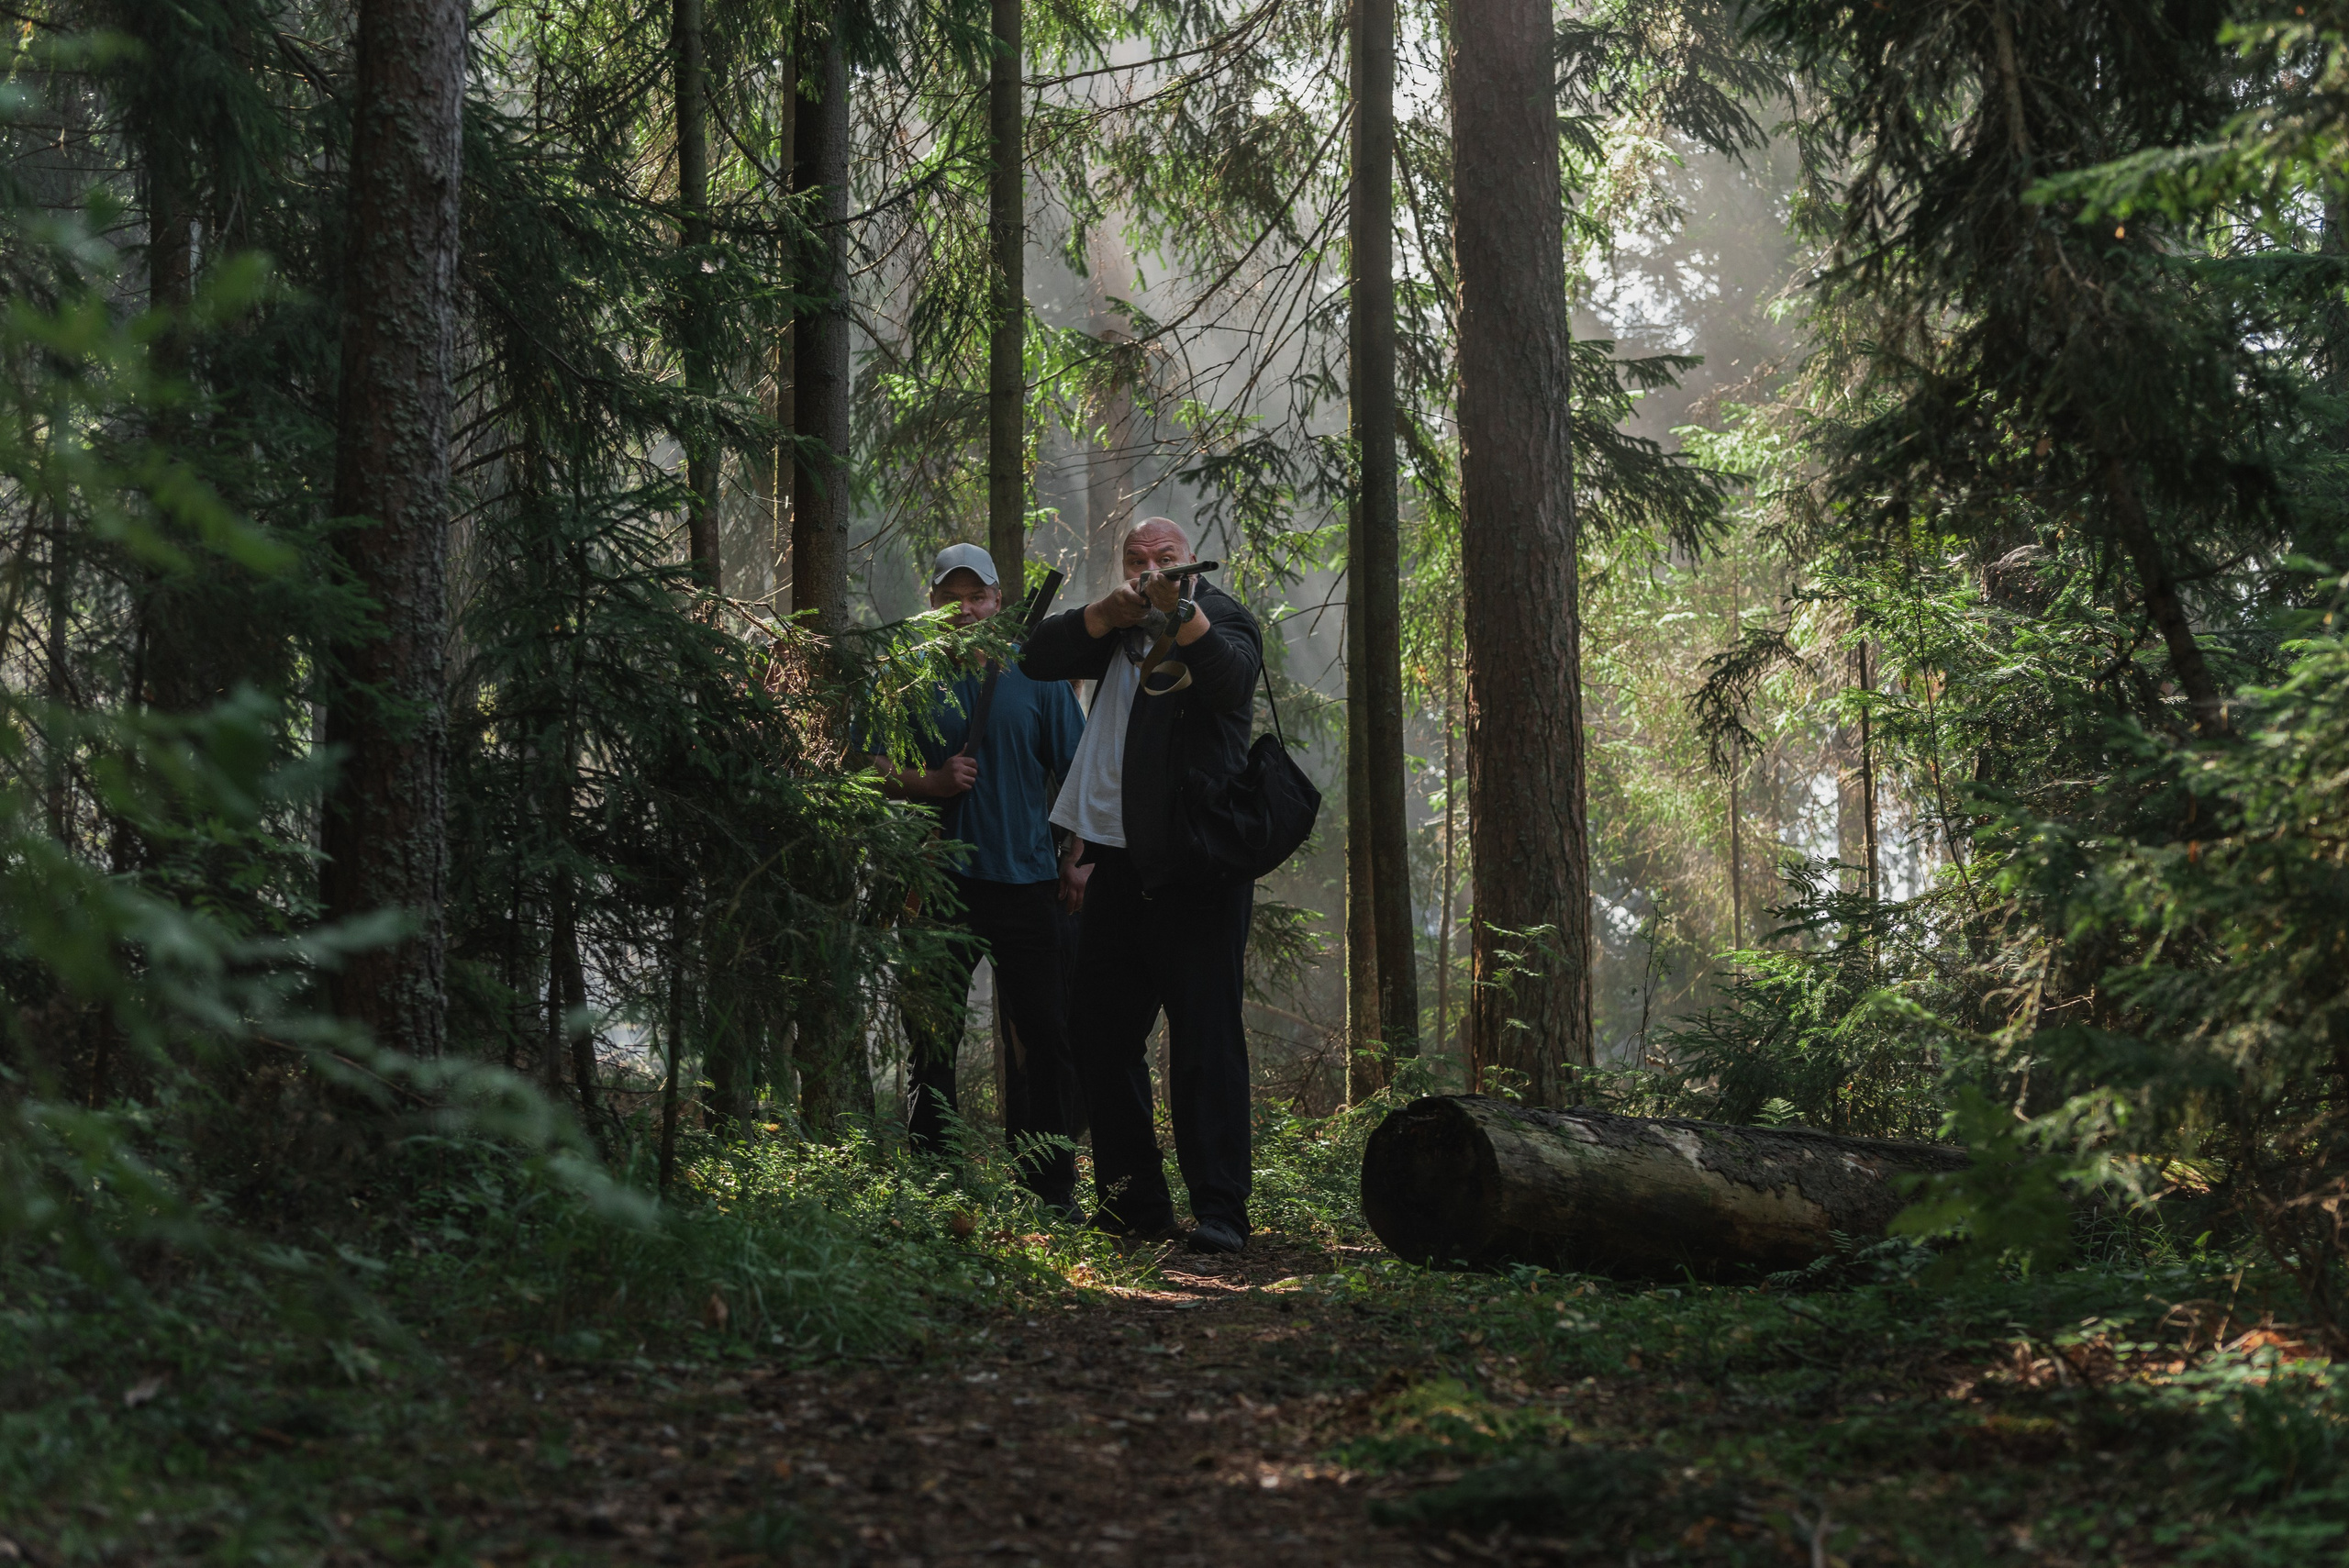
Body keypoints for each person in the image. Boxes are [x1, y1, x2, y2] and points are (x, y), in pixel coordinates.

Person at [1020, 517, 1263, 1253]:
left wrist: (1180, 613)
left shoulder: (1223, 616)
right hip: (1117, 862)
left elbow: (1231, 680)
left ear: (1191, 563)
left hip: (1197, 864)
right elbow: (1035, 655)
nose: (1149, 568)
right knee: (1100, 1032)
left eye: (1164, 557)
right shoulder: (1116, 625)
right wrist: (1106, 611)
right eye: (1135, 559)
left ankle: (1221, 1207)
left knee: (1204, 1034)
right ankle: (1133, 1203)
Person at [869, 543, 1087, 1218]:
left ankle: (1049, 1189)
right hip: (936, 883)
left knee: (1046, 1039)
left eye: (978, 596)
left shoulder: (1035, 673)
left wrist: (1078, 856)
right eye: (952, 597)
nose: (965, 609)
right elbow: (866, 762)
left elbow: (1080, 773)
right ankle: (937, 1185)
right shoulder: (907, 674)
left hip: (1028, 882)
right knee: (932, 1041)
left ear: (998, 601)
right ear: (932, 601)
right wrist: (929, 782)